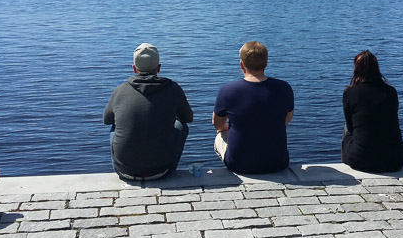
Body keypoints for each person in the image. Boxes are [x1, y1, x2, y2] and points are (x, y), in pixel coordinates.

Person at [103, 43, 194, 181]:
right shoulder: (173, 88)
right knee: (181, 126)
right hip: (162, 170)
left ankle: (124, 161)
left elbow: (106, 119)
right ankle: (169, 162)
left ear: (134, 68)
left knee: (115, 126)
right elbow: (188, 117)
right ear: (159, 68)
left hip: (124, 171)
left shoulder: (120, 90)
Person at [212, 41, 294, 174]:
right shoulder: (284, 88)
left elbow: (218, 124)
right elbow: (287, 119)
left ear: (241, 64)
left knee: (220, 134)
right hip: (279, 163)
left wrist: (226, 131)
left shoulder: (228, 90)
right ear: (266, 64)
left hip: (239, 165)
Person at [341, 50, 403, 173]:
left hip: (361, 160)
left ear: (356, 70)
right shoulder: (391, 92)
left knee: (346, 129)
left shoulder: (350, 93)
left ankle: (346, 163)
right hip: (395, 160)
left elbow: (350, 127)